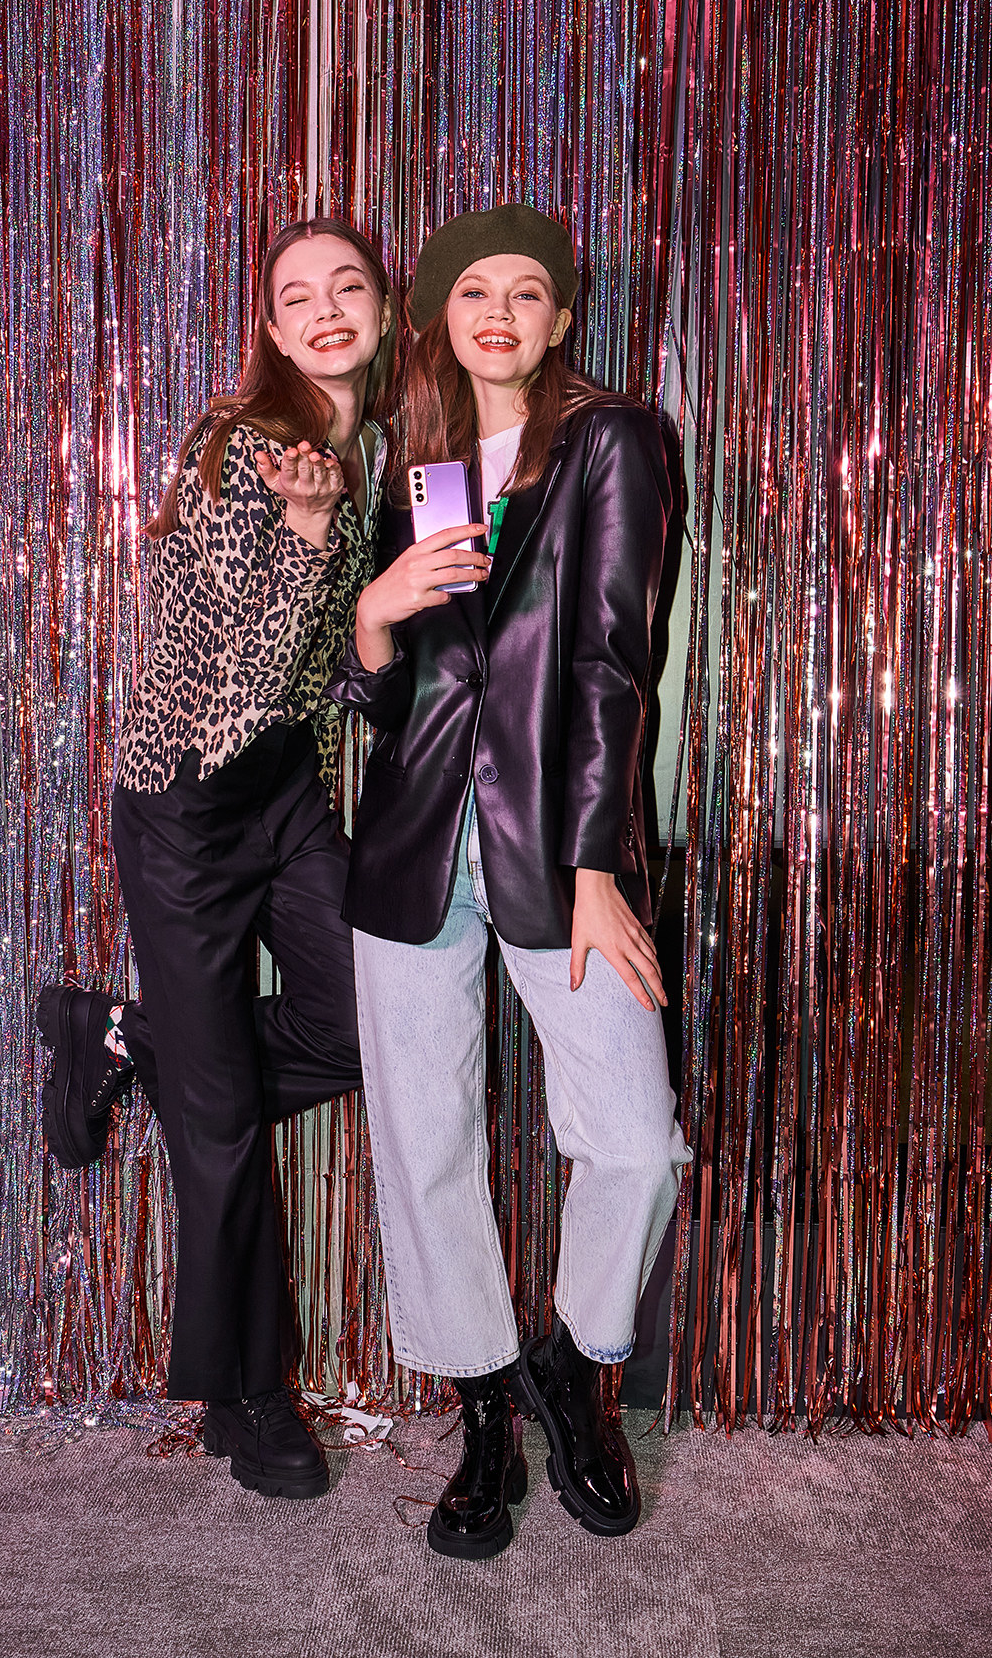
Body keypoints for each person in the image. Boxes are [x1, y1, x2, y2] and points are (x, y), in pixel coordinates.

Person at [327, 204, 690, 1559]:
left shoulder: (612, 441)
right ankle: (484, 1408)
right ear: (437, 314)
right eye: (471, 289)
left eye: (525, 291)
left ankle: (575, 1369)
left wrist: (595, 863)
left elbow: (608, 661)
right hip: (414, 844)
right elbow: (393, 690)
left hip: (555, 848)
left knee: (634, 1136)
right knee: (425, 1144)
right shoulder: (418, 464)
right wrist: (373, 617)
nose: (497, 311)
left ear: (558, 319)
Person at [38, 217, 397, 1501]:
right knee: (224, 1136)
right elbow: (239, 684)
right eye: (296, 295)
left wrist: (385, 626)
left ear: (381, 308)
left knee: (366, 1028)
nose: (325, 309)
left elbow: (329, 686)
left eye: (347, 285)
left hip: (288, 794)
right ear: (270, 322)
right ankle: (249, 1398)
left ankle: (131, 1040)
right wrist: (310, 544)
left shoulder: (374, 456)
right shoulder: (247, 448)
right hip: (189, 801)